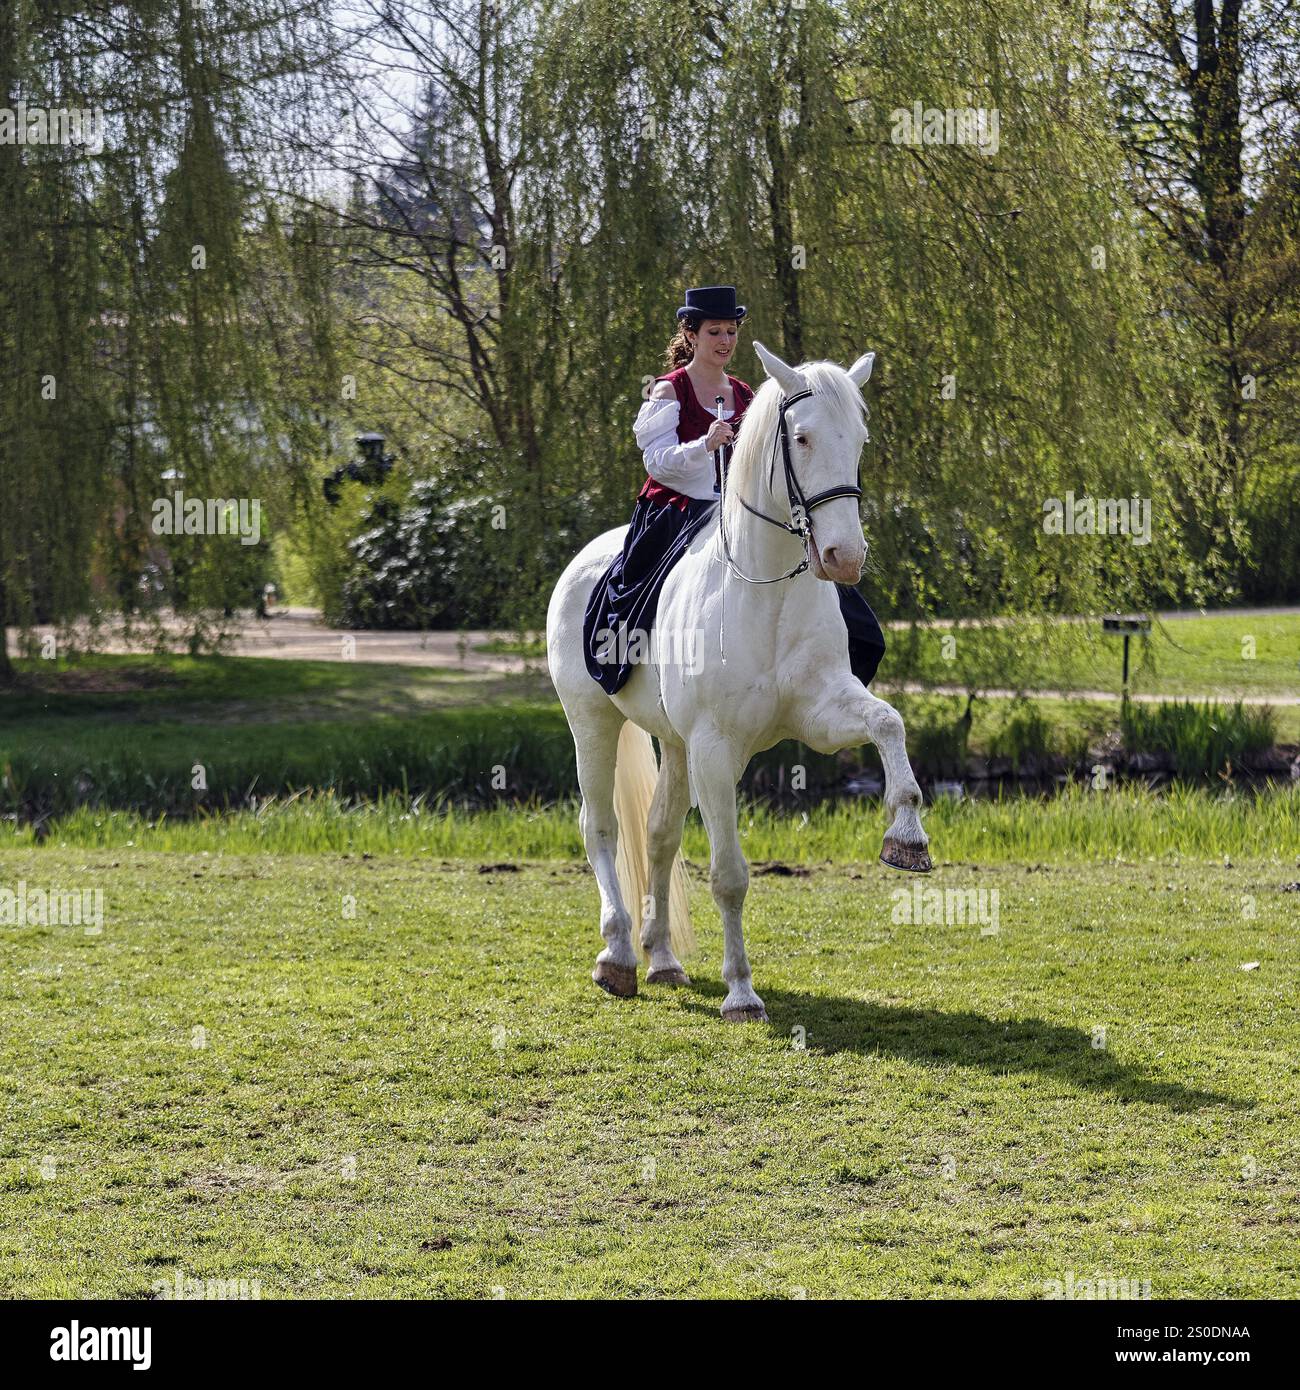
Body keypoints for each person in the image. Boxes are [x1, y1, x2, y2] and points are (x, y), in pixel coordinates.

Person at [583, 284, 886, 693]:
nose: (725, 341)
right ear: (690, 335)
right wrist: (704, 445)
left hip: (736, 510)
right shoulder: (668, 390)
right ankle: (645, 663)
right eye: (715, 332)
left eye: (731, 331)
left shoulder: (746, 393)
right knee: (644, 592)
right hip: (676, 508)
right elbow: (657, 463)